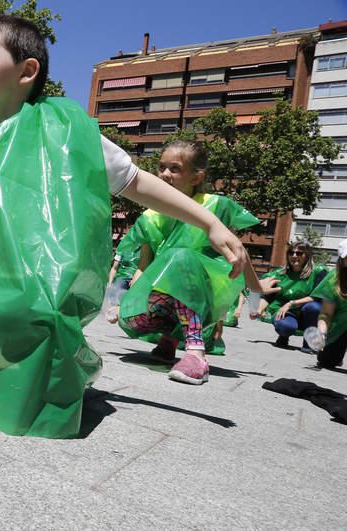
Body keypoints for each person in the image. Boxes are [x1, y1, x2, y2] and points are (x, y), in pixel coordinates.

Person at [0, 15, 257, 438]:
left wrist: (210, 221)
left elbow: (136, 182)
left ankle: (61, 354)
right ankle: (29, 354)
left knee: (36, 362)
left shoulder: (65, 131)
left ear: (26, 72)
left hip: (39, 294)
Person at [118, 141, 275, 385]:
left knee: (182, 258)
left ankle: (196, 354)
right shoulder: (149, 216)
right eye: (161, 167)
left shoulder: (214, 206)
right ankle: (168, 341)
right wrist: (128, 301)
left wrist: (253, 292)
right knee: (138, 307)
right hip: (164, 299)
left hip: (204, 298)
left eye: (175, 168)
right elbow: (143, 266)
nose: (164, 174)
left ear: (196, 177)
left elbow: (237, 254)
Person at [252, 240, 329, 352]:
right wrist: (258, 310)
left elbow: (318, 296)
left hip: (307, 314)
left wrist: (291, 303)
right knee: (286, 327)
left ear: (307, 256)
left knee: (314, 306)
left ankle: (309, 344)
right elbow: (268, 296)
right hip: (284, 312)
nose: (294, 256)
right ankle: (284, 336)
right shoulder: (279, 274)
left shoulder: (318, 272)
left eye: (299, 253)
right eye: (291, 253)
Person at [309, 239, 347, 369]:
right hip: (340, 327)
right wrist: (322, 334)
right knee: (327, 362)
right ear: (342, 260)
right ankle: (336, 354)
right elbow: (326, 313)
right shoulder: (333, 280)